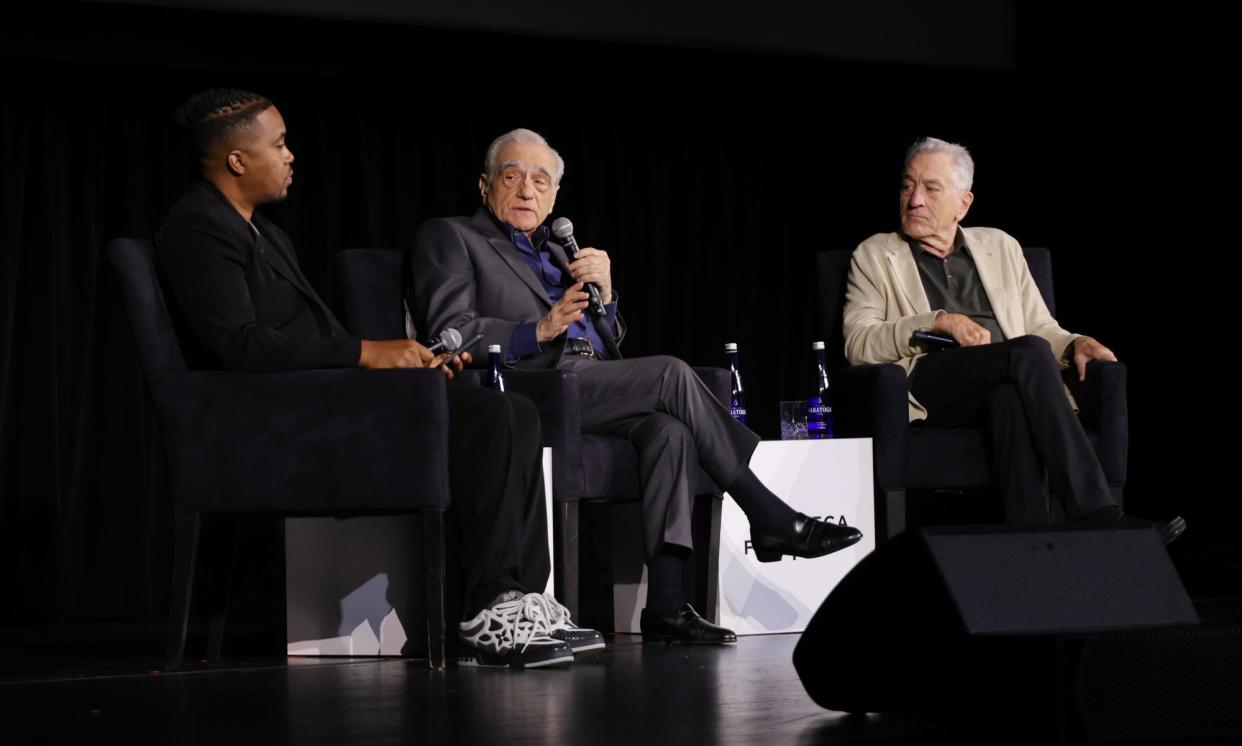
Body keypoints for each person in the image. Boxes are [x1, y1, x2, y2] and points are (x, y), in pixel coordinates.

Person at [156, 89, 601, 669]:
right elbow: (241, 347)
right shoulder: (198, 228)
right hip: (278, 420)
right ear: (237, 160)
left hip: (324, 400)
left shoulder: (267, 234)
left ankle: (520, 599)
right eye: (280, 144)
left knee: (512, 407)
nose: (291, 156)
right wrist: (369, 354)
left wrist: (410, 362)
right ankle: (485, 607)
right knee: (494, 415)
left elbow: (304, 338)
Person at [410, 128, 863, 645]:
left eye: (540, 181)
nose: (526, 191)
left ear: (555, 196)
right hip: (527, 388)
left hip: (592, 379)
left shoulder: (562, 255)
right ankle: (769, 514)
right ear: (485, 185)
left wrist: (607, 292)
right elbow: (447, 330)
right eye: (511, 178)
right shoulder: (451, 237)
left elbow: (611, 341)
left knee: (669, 431)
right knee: (671, 372)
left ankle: (667, 606)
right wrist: (535, 330)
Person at [843, 136, 1184, 540]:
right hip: (932, 383)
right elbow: (858, 343)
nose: (914, 199)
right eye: (907, 185)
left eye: (931, 189)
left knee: (1009, 395)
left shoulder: (1000, 246)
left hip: (1007, 376)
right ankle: (1094, 510)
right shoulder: (875, 255)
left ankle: (1031, 546)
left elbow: (1041, 327)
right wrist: (937, 321)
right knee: (1026, 353)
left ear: (963, 204)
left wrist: (1076, 343)